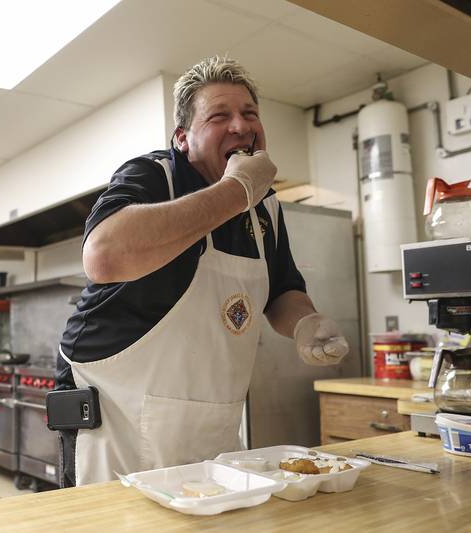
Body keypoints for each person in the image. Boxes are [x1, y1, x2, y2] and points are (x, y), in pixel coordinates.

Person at [55, 56, 350, 487]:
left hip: (209, 422)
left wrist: (307, 322)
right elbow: (103, 255)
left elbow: (283, 290)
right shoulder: (156, 176)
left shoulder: (265, 207)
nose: (241, 126)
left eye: (250, 113)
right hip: (116, 415)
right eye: (219, 116)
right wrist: (235, 191)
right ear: (182, 138)